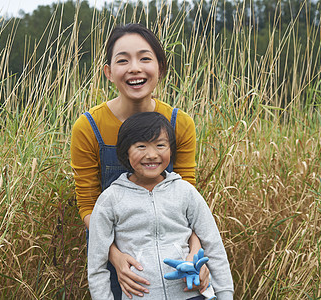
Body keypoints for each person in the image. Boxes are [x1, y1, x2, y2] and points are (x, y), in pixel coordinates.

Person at [70, 23, 210, 298]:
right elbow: (88, 207)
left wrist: (196, 252)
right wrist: (116, 258)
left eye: (145, 58)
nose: (135, 68)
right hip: (116, 259)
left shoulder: (179, 124)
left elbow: (190, 203)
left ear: (160, 67)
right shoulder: (88, 127)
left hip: (174, 256)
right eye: (123, 60)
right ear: (109, 72)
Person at [87, 112, 234, 299]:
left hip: (190, 294)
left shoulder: (185, 191)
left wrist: (225, 294)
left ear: (171, 150)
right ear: (125, 151)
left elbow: (213, 244)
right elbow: (96, 265)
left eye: (160, 145)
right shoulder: (111, 199)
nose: (151, 155)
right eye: (141, 146)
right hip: (141, 295)